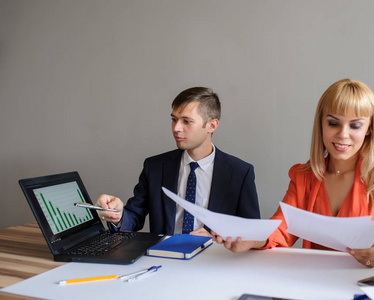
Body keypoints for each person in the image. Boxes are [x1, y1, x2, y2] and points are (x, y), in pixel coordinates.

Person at [215, 79, 374, 267]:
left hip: (372, 286)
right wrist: (252, 239)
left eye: (355, 126)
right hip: (317, 286)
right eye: (333, 123)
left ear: (369, 129)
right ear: (321, 123)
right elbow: (281, 229)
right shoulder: (304, 176)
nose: (343, 134)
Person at [96, 87, 260, 237]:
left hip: (215, 262)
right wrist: (118, 215)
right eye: (174, 119)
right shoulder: (155, 167)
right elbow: (134, 217)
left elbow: (251, 232)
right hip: (164, 260)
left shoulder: (239, 172)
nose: (176, 128)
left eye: (186, 121)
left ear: (212, 125)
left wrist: (218, 240)